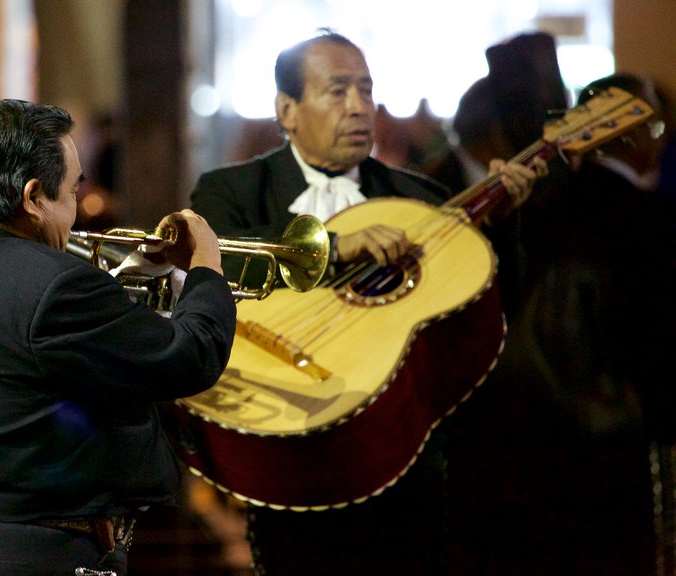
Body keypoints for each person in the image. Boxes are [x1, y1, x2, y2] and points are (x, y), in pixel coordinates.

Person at [188, 29, 544, 575]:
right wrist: (329, 249)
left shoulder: (416, 195)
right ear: (288, 109)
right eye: (337, 91)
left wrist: (505, 225)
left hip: (401, 454)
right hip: (290, 437)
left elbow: (493, 310)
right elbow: (220, 263)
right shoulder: (230, 190)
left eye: (366, 91)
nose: (359, 108)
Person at [0, 98, 237, 576]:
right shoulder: (57, 284)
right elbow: (190, 356)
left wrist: (129, 276)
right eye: (73, 191)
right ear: (34, 197)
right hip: (53, 555)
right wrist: (207, 270)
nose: (77, 208)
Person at [449, 73, 676, 576]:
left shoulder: (536, 210)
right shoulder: (651, 221)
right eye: (658, 126)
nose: (663, 140)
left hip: (521, 457)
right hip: (618, 457)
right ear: (628, 132)